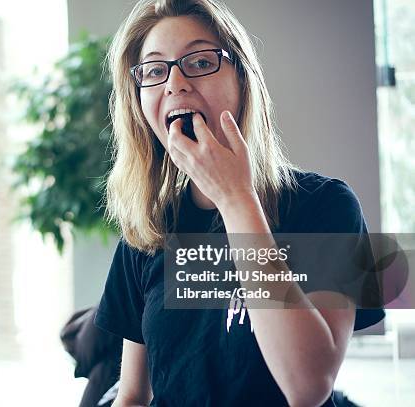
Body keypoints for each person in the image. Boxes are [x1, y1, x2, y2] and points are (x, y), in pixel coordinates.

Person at [94, 1, 385, 406]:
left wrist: (235, 198)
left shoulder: (325, 206)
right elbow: (131, 395)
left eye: (198, 62)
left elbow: (307, 387)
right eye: (156, 70)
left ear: (243, 79)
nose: (175, 84)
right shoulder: (151, 228)